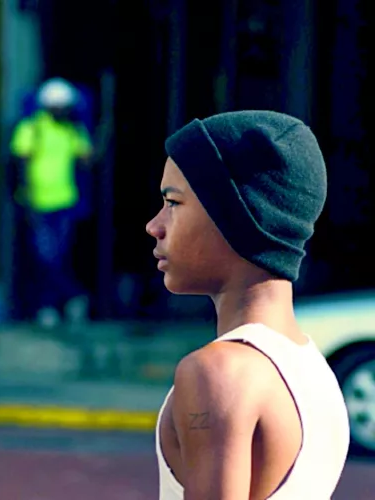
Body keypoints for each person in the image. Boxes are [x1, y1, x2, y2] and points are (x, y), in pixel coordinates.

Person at [145, 110, 350, 499]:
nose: (154, 226)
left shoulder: (218, 373)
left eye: (173, 202)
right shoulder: (313, 370)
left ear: (236, 217)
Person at [9, 77, 92, 328]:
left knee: (59, 255)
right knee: (45, 256)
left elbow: (87, 158)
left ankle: (55, 305)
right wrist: (26, 198)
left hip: (64, 202)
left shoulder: (71, 131)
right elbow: (19, 164)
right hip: (38, 204)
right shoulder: (31, 128)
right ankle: (67, 299)